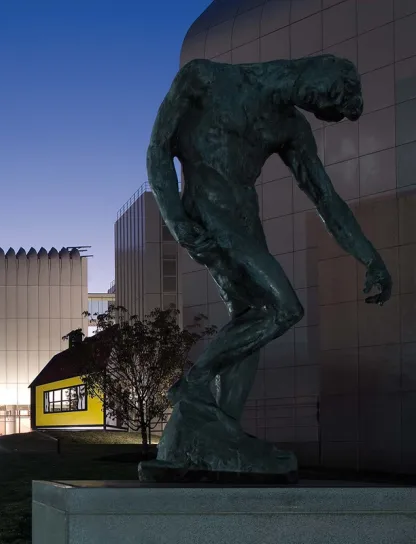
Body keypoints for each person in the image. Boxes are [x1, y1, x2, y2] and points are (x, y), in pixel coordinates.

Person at [147, 54, 392, 423]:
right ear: (323, 67)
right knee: (284, 309)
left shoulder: (291, 128)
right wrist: (175, 219)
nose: (320, 102)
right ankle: (194, 381)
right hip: (209, 212)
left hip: (245, 223)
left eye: (325, 105)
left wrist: (370, 258)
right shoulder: (205, 79)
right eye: (331, 94)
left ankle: (223, 424)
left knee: (250, 317)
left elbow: (326, 199)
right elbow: (158, 149)